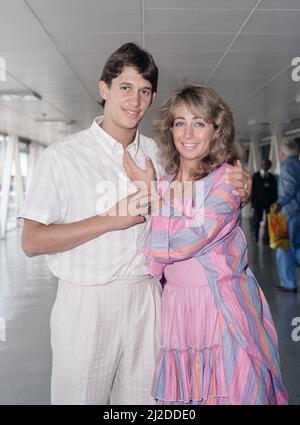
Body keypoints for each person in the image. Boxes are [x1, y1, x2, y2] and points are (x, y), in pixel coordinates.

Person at [18, 43, 252, 405]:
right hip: (87, 301)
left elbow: (202, 193)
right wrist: (111, 219)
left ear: (153, 96)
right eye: (125, 87)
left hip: (148, 298)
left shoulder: (161, 156)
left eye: (145, 91)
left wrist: (242, 181)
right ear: (104, 89)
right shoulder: (62, 157)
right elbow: (32, 241)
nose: (135, 100)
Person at [125, 85, 288, 405]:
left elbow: (189, 237)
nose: (188, 132)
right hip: (178, 309)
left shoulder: (227, 180)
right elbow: (152, 257)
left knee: (230, 388)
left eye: (199, 123)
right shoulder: (167, 181)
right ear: (169, 128)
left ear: (216, 129)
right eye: (179, 122)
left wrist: (150, 195)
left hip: (220, 305)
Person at [272, 138, 300, 293]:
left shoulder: (288, 166)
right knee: (296, 246)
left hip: (288, 213)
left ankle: (289, 283)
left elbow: (289, 188)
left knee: (283, 248)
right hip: (298, 212)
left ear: (283, 153)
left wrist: (279, 203)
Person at [251, 159, 277, 244]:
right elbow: (252, 190)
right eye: (264, 164)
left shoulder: (272, 177)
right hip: (258, 202)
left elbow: (274, 191)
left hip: (269, 203)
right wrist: (252, 203)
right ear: (261, 165)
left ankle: (266, 238)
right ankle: (256, 236)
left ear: (269, 166)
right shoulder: (256, 176)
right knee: (256, 220)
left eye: (267, 165)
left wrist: (274, 203)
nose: (265, 166)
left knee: (269, 221)